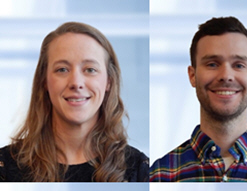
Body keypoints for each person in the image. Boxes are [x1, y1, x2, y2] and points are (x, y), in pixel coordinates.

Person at [149, 16, 247, 182]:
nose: (226, 76)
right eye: (213, 64)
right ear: (192, 76)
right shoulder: (158, 175)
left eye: (239, 65)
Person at [0, 22, 148, 182]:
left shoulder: (139, 170)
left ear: (108, 82)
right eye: (62, 69)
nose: (76, 83)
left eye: (90, 70)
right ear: (44, 81)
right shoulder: (5, 166)